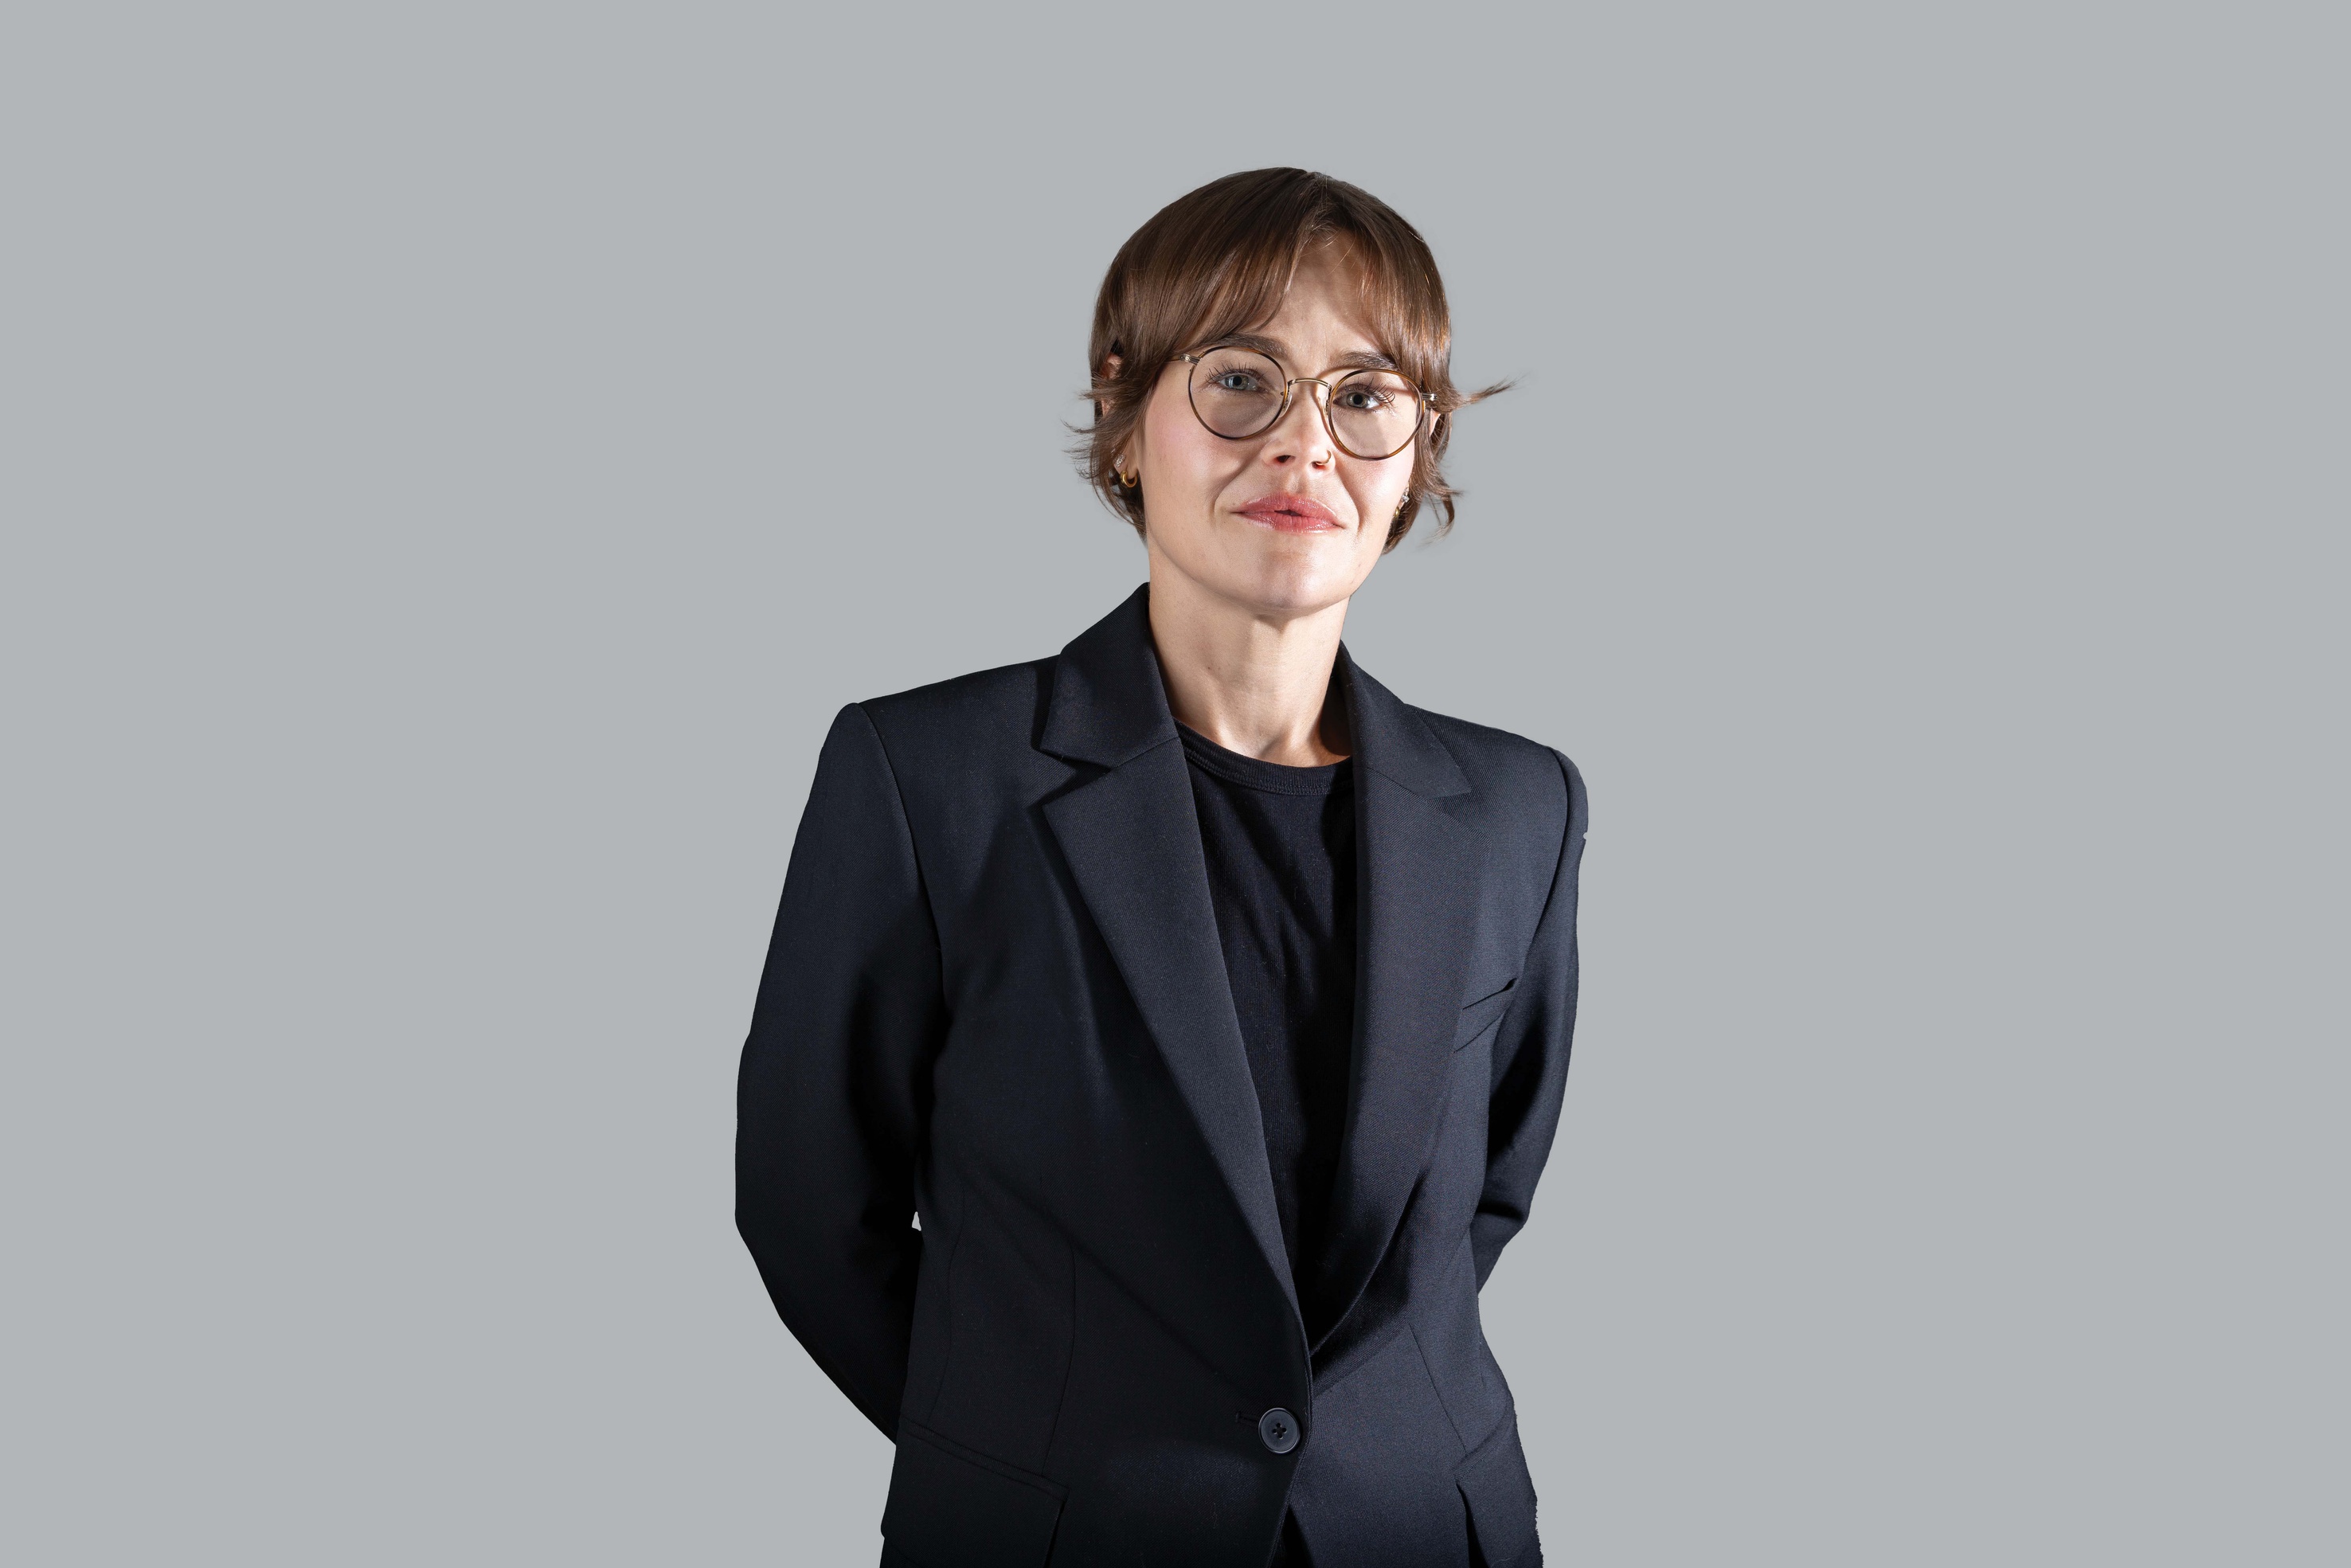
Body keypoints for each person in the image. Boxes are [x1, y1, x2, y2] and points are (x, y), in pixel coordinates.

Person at [737, 168, 1587, 1568]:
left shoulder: (1518, 807)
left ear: (1420, 446)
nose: (1305, 448)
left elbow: (1485, 1197)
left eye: (1365, 396)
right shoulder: (926, 777)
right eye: (1242, 381)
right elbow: (803, 1202)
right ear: (1130, 415)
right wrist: (1022, 1441)